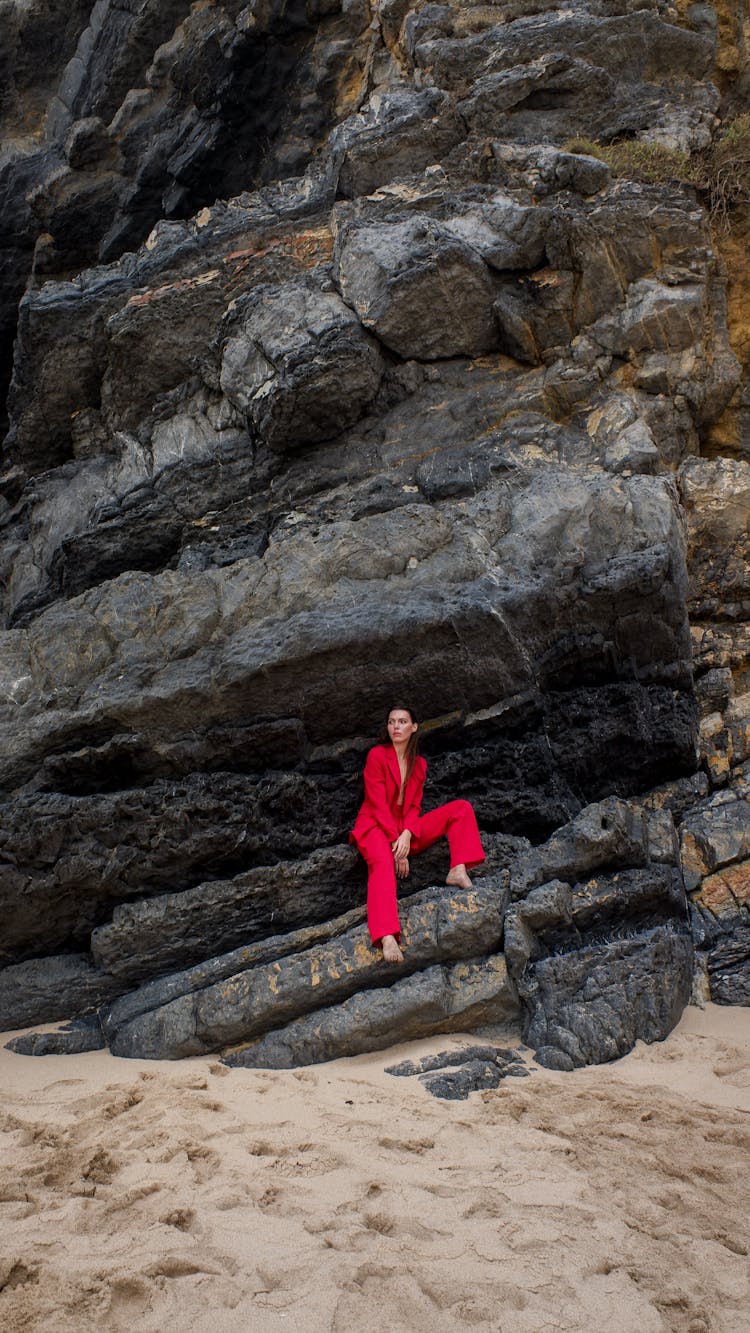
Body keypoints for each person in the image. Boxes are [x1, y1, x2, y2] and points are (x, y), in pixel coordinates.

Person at [350, 705, 485, 964]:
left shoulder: (419, 765)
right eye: (391, 722)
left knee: (460, 809)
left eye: (402, 722)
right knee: (382, 863)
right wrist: (396, 844)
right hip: (374, 828)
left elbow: (414, 807)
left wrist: (408, 835)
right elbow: (377, 804)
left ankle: (458, 869)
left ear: (414, 727)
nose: (396, 727)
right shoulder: (377, 756)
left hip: (403, 832)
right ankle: (387, 936)